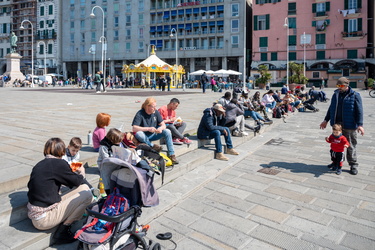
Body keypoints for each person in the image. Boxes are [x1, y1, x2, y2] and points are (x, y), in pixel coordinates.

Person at [27, 138, 93, 244]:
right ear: (61, 151)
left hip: (36, 214)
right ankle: (62, 232)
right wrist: (81, 172)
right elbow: (76, 181)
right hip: (44, 219)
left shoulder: (39, 164)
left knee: (84, 188)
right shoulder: (58, 163)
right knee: (87, 195)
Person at [320, 77, 364, 175]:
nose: (339, 87)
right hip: (337, 125)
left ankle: (353, 165)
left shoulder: (355, 95)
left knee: (350, 145)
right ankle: (335, 162)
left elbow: (359, 111)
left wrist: (360, 124)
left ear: (347, 85)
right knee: (335, 144)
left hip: (350, 124)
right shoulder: (336, 94)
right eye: (338, 85)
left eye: (341, 86)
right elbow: (331, 108)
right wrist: (326, 120)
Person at [132, 97, 179, 164]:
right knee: (139, 134)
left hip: (153, 134)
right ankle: (152, 146)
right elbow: (134, 128)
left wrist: (160, 128)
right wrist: (148, 129)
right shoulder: (140, 113)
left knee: (167, 131)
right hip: (144, 135)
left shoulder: (156, 112)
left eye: (155, 106)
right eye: (153, 107)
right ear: (147, 106)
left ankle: (172, 154)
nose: (155, 108)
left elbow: (163, 125)